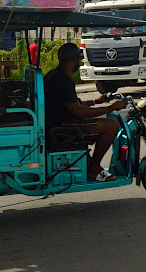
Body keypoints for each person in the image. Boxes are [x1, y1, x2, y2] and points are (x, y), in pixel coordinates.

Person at [43, 43, 126, 182]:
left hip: (56, 121)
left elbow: (71, 103)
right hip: (62, 126)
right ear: (74, 60)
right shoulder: (64, 80)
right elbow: (77, 112)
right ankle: (94, 169)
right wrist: (111, 108)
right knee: (111, 125)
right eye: (79, 59)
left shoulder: (53, 74)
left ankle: (89, 164)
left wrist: (96, 101)